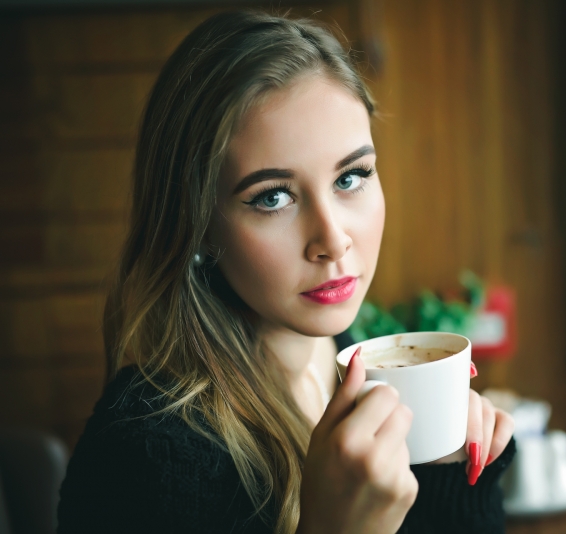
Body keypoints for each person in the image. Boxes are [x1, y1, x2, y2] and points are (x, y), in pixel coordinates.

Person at [57, 10, 515, 534]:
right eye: (273, 197)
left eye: (351, 177)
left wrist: (449, 474)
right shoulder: (144, 452)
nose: (333, 238)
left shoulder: (350, 355)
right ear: (199, 224)